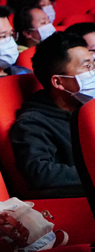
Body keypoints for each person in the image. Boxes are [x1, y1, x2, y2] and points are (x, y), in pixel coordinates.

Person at [10, 32, 91, 194]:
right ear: (58, 82)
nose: (93, 72)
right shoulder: (33, 123)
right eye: (87, 67)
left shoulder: (86, 109)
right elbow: (41, 173)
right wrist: (91, 173)